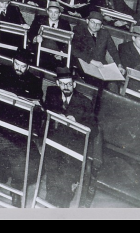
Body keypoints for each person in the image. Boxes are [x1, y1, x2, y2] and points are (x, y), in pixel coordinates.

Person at [0, 48, 42, 200]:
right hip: (0, 121)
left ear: (28, 67)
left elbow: (39, 104)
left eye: (23, 66)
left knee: (25, 157)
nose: (19, 68)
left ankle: (17, 185)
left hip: (20, 127)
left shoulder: (34, 81)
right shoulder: (2, 70)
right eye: (17, 64)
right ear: (13, 61)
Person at [42, 67, 99, 208]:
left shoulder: (85, 102)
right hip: (56, 140)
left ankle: (62, 203)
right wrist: (57, 114)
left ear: (74, 84)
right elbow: (46, 108)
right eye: (62, 84)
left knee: (67, 176)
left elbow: (94, 128)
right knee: (52, 169)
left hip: (74, 143)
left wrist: (76, 121)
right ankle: (51, 200)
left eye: (69, 84)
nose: (66, 87)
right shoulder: (51, 93)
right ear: (57, 83)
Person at [71, 11, 125, 83]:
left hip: (101, 66)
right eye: (92, 22)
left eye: (98, 24)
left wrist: (119, 65)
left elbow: (114, 51)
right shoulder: (79, 30)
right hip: (85, 64)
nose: (95, 25)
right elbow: (74, 50)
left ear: (101, 26)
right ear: (87, 21)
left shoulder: (105, 34)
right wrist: (92, 61)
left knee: (114, 83)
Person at [28, 2, 72, 70]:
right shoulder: (39, 19)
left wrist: (62, 53)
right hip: (40, 53)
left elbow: (69, 41)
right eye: (51, 12)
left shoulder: (65, 24)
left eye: (56, 12)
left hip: (56, 56)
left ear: (60, 14)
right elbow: (30, 33)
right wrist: (36, 38)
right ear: (47, 12)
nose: (53, 15)